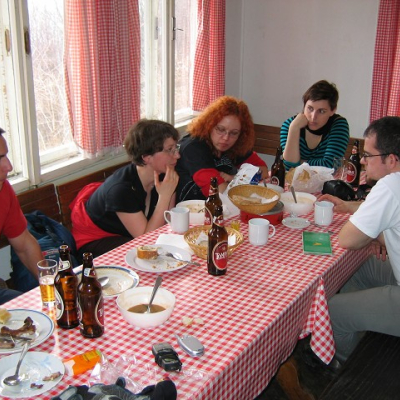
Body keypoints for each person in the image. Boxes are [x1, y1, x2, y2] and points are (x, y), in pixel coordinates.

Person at [319, 116, 400, 363]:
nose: (363, 161)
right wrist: (352, 208)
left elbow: (348, 239)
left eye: (368, 155)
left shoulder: (390, 185)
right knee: (356, 267)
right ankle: (360, 327)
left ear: (391, 160)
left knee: (330, 311)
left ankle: (342, 367)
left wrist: (372, 232)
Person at [71, 119, 180, 260]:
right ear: (146, 158)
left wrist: (169, 192)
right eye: (170, 150)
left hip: (131, 235)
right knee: (147, 257)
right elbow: (147, 241)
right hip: (95, 243)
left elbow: (167, 222)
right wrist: (165, 196)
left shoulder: (165, 174)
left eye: (176, 148)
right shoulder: (121, 190)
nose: (177, 155)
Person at [175, 95, 268, 201]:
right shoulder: (193, 148)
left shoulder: (236, 144)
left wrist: (233, 178)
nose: (226, 138)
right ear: (209, 125)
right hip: (192, 208)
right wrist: (241, 181)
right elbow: (219, 192)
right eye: (220, 129)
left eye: (234, 133)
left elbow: (263, 171)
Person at [0, 128, 43, 304]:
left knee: (32, 310)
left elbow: (24, 245)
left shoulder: (3, 189)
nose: (9, 166)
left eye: (5, 156)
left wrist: (51, 284)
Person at [280, 80, 349, 170]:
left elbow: (330, 165)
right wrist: (294, 129)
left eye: (321, 111)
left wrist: (299, 163)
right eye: (310, 108)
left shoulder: (339, 125)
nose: (313, 117)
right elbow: (289, 167)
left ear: (333, 110)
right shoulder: (290, 125)